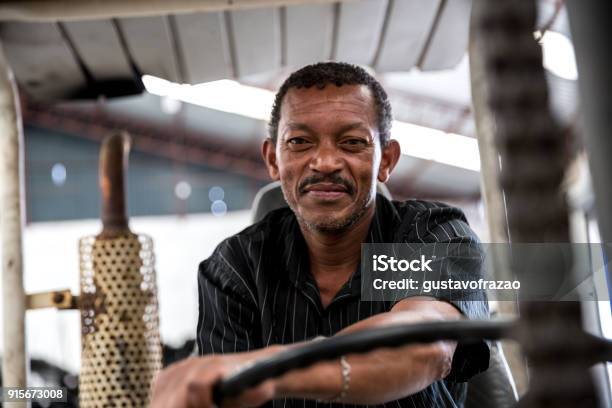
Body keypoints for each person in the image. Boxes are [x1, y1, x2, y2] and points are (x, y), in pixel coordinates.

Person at [151, 62, 489, 408]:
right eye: (300, 141)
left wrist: (267, 370)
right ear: (273, 159)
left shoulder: (429, 235)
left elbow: (425, 344)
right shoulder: (236, 268)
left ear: (386, 160)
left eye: (352, 142)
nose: (326, 161)